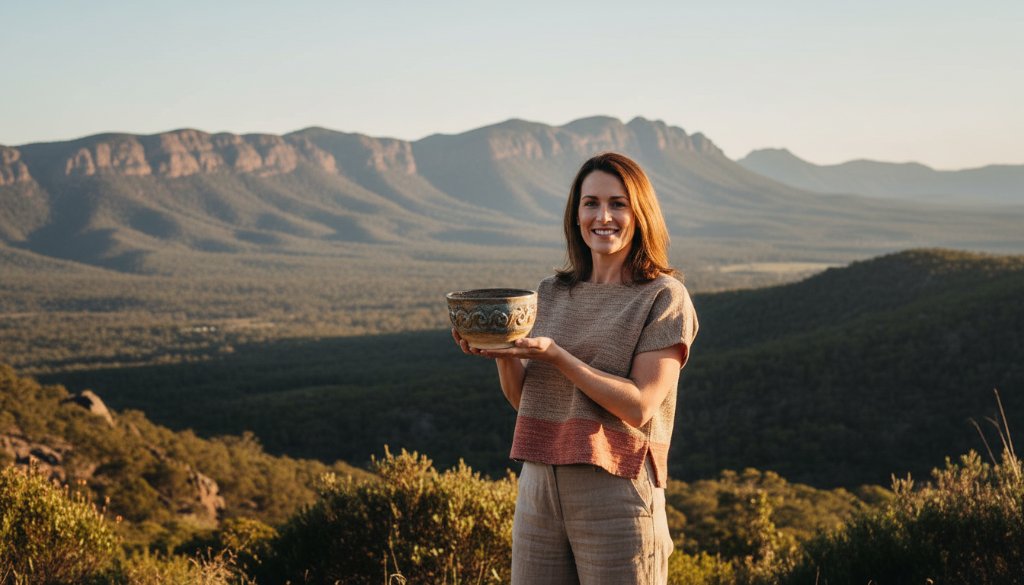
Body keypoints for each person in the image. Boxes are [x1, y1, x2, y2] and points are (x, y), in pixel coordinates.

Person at [453, 151, 698, 584]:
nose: (603, 216)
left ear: (640, 212)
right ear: (576, 213)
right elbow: (524, 399)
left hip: (616, 486)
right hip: (539, 484)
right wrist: (502, 352)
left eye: (618, 203)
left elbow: (640, 406)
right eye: (591, 203)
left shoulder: (663, 297)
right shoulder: (550, 292)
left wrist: (558, 357)